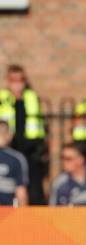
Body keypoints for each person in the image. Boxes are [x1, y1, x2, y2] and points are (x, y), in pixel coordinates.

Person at [0, 65, 46, 204]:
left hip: (30, 151)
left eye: (21, 79)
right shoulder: (3, 97)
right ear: (8, 81)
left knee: (34, 191)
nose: (17, 84)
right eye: (13, 80)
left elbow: (38, 124)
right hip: (9, 148)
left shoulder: (31, 97)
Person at [0, 120, 28, 206]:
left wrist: (22, 217)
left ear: (10, 135)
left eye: (3, 132)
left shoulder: (16, 159)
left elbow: (21, 194)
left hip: (8, 213)